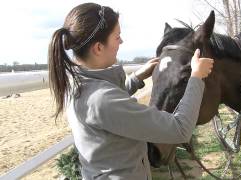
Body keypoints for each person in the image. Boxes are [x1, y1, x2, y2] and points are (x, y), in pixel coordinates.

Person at [48, 2, 214, 180]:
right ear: (98, 48)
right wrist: (196, 76)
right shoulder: (102, 99)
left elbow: (107, 109)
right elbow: (181, 129)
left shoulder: (79, 86)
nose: (121, 42)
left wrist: (136, 78)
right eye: (117, 37)